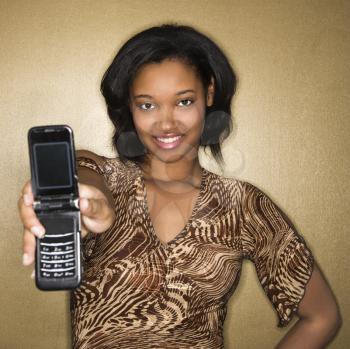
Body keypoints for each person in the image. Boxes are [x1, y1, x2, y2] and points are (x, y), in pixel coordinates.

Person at [19, 24, 341, 349]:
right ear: (129, 106)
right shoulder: (104, 175)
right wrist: (87, 201)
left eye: (184, 101)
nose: (167, 122)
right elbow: (83, 175)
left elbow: (322, 316)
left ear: (209, 92)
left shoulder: (242, 205)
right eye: (147, 105)